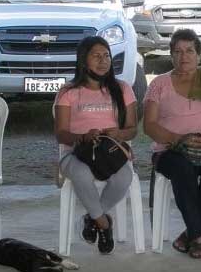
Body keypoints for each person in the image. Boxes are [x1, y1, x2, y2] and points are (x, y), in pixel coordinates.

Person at [143, 29, 201, 259]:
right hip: (171, 149)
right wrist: (178, 140)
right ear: (171, 56)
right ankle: (197, 237)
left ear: (199, 55)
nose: (184, 56)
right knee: (182, 169)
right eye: (177, 51)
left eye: (189, 51)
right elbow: (149, 126)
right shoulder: (159, 84)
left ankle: (191, 235)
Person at [54, 36, 139, 254]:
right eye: (96, 56)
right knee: (81, 174)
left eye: (106, 55)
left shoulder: (123, 89)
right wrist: (82, 137)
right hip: (76, 152)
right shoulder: (69, 92)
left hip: (110, 152)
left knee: (124, 178)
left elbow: (133, 130)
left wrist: (119, 133)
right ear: (83, 61)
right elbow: (61, 134)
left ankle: (91, 218)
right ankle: (103, 223)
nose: (103, 61)